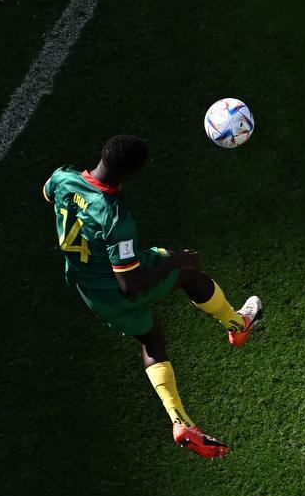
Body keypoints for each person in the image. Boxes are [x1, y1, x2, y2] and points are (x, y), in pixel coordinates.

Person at [42, 135, 262, 457]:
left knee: (151, 341)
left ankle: (181, 421)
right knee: (188, 271)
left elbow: (47, 193)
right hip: (118, 286)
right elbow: (129, 284)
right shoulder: (115, 215)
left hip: (89, 289)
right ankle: (236, 324)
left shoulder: (64, 177)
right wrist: (176, 262)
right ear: (130, 175)